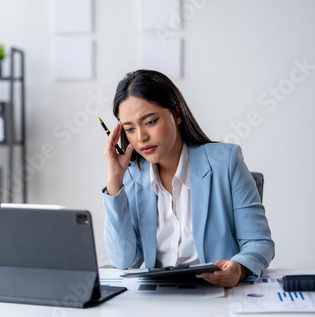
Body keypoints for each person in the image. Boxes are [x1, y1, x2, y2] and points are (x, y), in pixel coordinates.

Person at [102, 70, 274, 288]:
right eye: (129, 129)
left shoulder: (226, 162)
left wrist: (239, 269)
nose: (141, 137)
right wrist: (115, 180)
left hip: (216, 293)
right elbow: (123, 260)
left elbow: (259, 242)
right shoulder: (134, 176)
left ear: (176, 114)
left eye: (151, 121)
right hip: (159, 297)